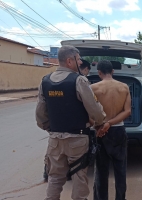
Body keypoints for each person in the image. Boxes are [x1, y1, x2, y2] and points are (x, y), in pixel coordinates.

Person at [35, 45, 106, 200]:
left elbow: (40, 114)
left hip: (55, 140)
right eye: (78, 59)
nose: (80, 62)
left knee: (54, 178)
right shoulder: (79, 80)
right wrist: (100, 122)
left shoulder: (45, 81)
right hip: (77, 140)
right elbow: (94, 109)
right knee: (79, 176)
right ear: (69, 61)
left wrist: (50, 128)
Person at [91, 60, 131, 200]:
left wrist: (101, 125)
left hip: (100, 132)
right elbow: (127, 111)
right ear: (113, 71)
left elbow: (90, 112)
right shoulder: (124, 87)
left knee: (101, 172)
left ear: (99, 73)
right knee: (121, 170)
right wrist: (111, 123)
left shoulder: (93, 88)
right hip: (119, 131)